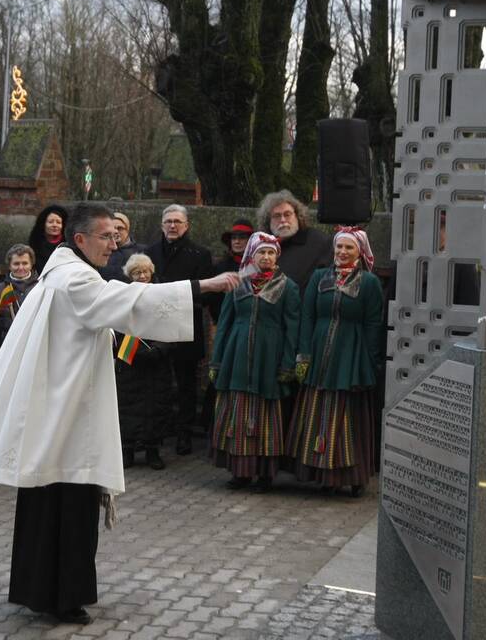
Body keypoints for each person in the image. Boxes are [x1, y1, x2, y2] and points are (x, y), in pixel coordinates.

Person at [0, 202, 239, 626]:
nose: (115, 243)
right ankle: (63, 598)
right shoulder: (74, 279)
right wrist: (206, 286)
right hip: (70, 417)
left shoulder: (63, 271)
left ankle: (40, 590)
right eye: (106, 236)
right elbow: (129, 300)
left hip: (60, 407)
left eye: (116, 235)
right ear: (80, 239)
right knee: (70, 507)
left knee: (48, 500)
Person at [287, 226, 383, 497]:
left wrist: (369, 361)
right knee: (318, 411)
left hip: (351, 355)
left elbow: (373, 324)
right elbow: (307, 316)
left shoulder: (369, 283)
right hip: (319, 352)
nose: (342, 252)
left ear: (359, 252)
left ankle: (352, 475)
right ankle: (319, 472)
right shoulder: (319, 277)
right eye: (339, 247)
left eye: (348, 248)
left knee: (347, 414)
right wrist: (303, 354)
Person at [209, 232, 300, 492]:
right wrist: (217, 361)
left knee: (265, 413)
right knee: (236, 411)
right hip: (236, 354)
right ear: (253, 255)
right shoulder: (238, 284)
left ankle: (264, 474)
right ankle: (240, 472)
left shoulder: (288, 287)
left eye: (271, 253)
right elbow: (223, 324)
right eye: (262, 252)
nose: (267, 257)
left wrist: (287, 364)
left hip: (268, 356)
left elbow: (292, 327)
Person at [144, 204, 213, 455]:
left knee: (186, 384)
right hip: (156, 328)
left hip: (186, 328)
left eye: (177, 222)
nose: (172, 226)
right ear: (162, 225)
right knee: (157, 382)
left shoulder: (200, 254)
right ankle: (158, 433)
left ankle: (184, 433)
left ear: (186, 225)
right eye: (168, 221)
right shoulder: (149, 253)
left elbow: (204, 294)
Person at [114, 254, 174, 471]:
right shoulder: (122, 297)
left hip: (156, 362)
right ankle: (128, 450)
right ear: (130, 276)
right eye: (136, 273)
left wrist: (160, 349)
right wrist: (128, 350)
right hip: (130, 360)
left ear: (151, 272)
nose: (141, 276)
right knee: (128, 406)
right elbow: (115, 327)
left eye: (145, 271)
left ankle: (152, 450)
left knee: (154, 406)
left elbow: (171, 324)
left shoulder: (162, 296)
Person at [257, 191, 333, 294]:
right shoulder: (261, 244)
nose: (283, 220)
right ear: (268, 220)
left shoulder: (320, 242)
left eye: (287, 214)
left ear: (297, 215)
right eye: (277, 216)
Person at [0, 244, 38, 362]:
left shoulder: (40, 288)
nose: (20, 267)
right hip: (5, 352)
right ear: (9, 265)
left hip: (32, 351)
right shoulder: (0, 289)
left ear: (31, 264)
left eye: (25, 263)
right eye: (16, 264)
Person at [99, 212, 144, 281]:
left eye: (120, 228)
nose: (116, 231)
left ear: (127, 230)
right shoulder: (100, 251)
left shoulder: (143, 250)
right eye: (113, 228)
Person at [28, 204, 68, 274]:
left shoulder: (68, 246)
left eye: (58, 222)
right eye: (50, 222)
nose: (54, 225)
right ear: (43, 224)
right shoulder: (35, 244)